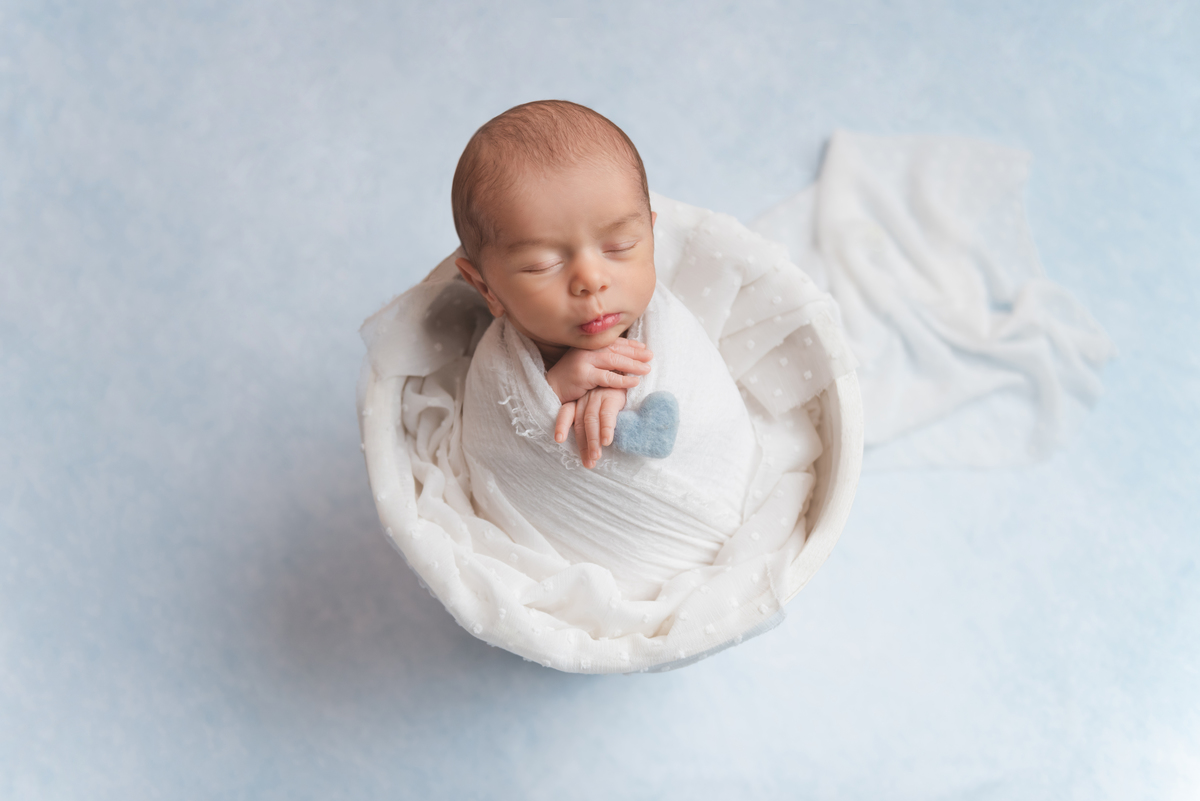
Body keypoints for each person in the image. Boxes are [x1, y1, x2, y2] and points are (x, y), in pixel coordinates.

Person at [451, 99, 659, 469]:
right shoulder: (498, 363)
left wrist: (629, 394)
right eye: (543, 265)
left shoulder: (667, 323)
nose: (591, 280)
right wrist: (553, 392)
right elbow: (489, 447)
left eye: (620, 247)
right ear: (486, 289)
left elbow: (701, 391)